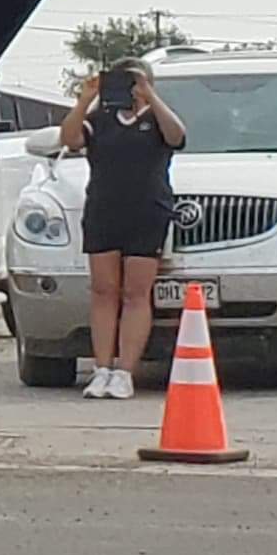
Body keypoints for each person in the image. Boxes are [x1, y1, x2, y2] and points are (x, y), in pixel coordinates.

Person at [61, 59, 189, 400]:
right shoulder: (100, 120)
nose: (129, 89)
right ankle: (101, 368)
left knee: (136, 293)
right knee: (104, 290)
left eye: (135, 82)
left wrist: (149, 96)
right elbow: (70, 139)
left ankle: (124, 372)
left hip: (147, 212)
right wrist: (85, 98)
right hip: (104, 210)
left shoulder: (156, 120)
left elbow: (177, 136)